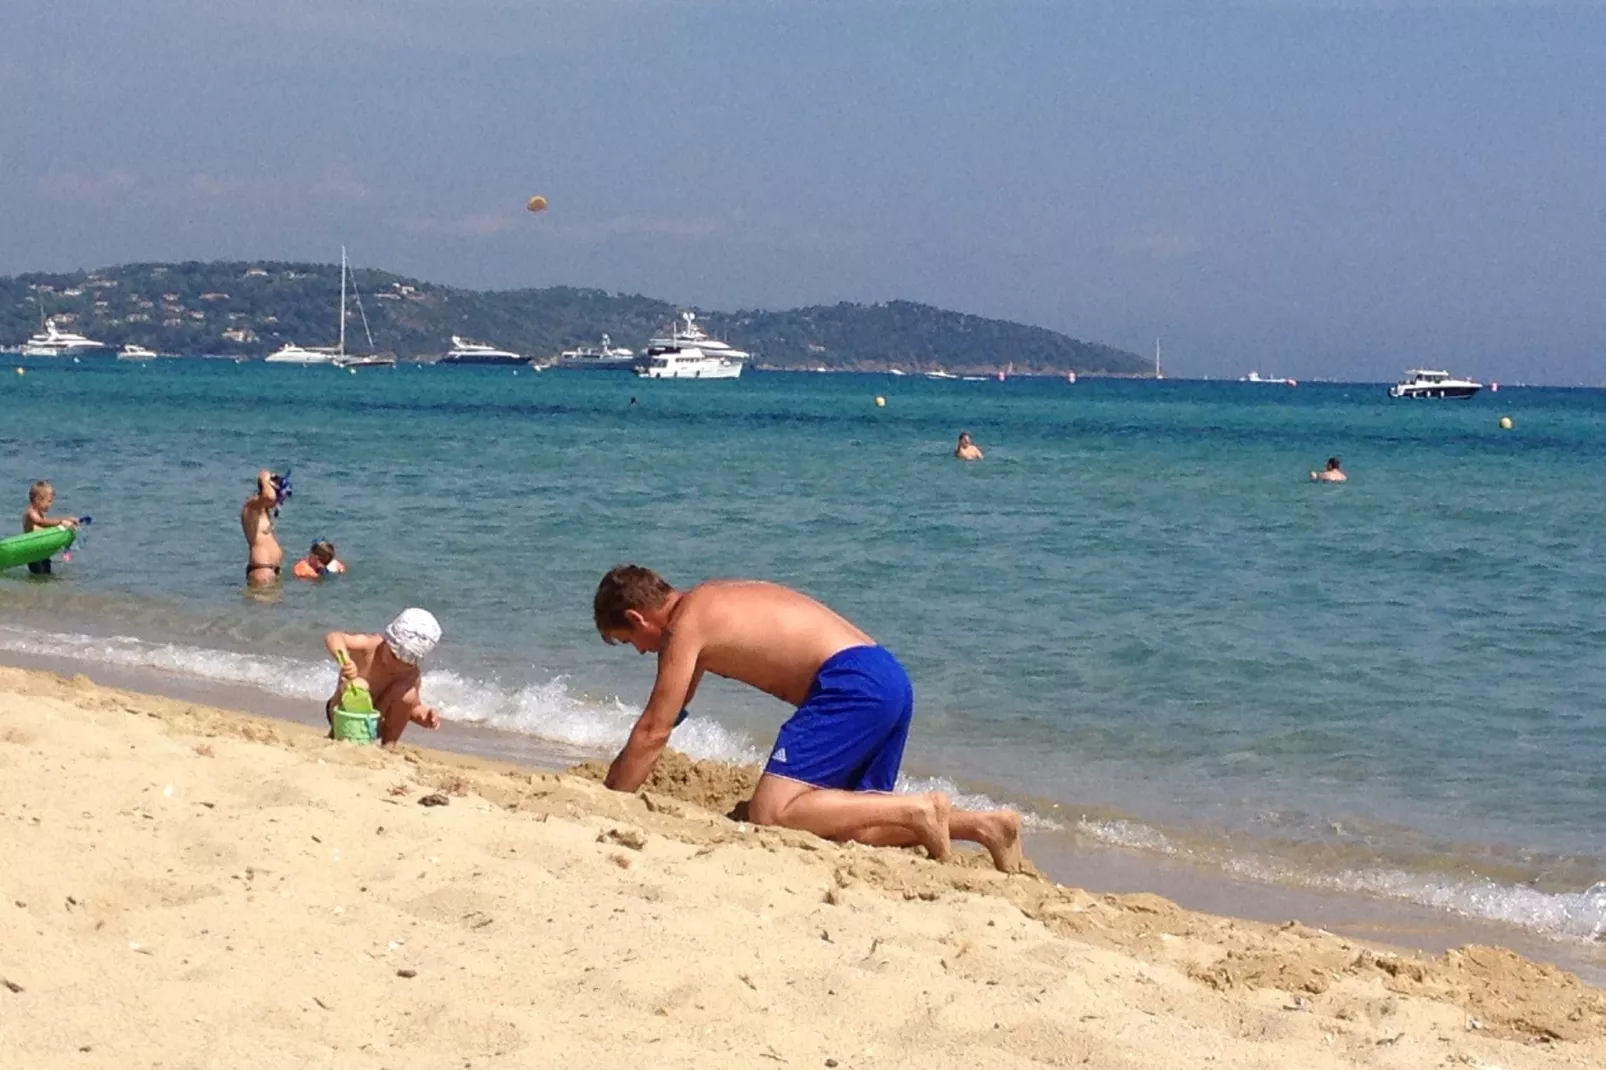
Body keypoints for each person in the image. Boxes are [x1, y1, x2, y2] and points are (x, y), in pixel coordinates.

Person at [592, 565, 1023, 872]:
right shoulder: (710, 601)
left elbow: (654, 730)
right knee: (853, 826)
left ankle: (919, 808)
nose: (642, 651)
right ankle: (986, 825)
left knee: (771, 812)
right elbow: (670, 714)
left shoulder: (686, 626)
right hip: (887, 678)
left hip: (850, 681)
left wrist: (608, 802)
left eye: (629, 641)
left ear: (638, 617)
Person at [323, 609, 442, 745]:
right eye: (394, 655)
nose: (397, 665)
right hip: (343, 715)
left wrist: (423, 716)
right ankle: (335, 735)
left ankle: (389, 745)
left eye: (406, 662)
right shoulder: (370, 646)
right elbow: (333, 637)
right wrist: (346, 661)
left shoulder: (411, 674)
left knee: (409, 694)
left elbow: (411, 707)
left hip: (375, 723)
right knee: (360, 683)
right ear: (387, 640)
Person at [21, 481, 78, 576]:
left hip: (42, 552)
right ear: (38, 500)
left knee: (47, 575)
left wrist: (68, 520)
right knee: (39, 576)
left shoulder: (40, 513)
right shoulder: (31, 513)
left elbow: (47, 526)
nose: (51, 504)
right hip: (33, 553)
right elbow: (41, 523)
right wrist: (61, 522)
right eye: (49, 501)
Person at [241, 469, 287, 586]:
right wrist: (264, 477)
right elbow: (269, 497)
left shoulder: (264, 512)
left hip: (273, 571)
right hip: (261, 570)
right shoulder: (251, 507)